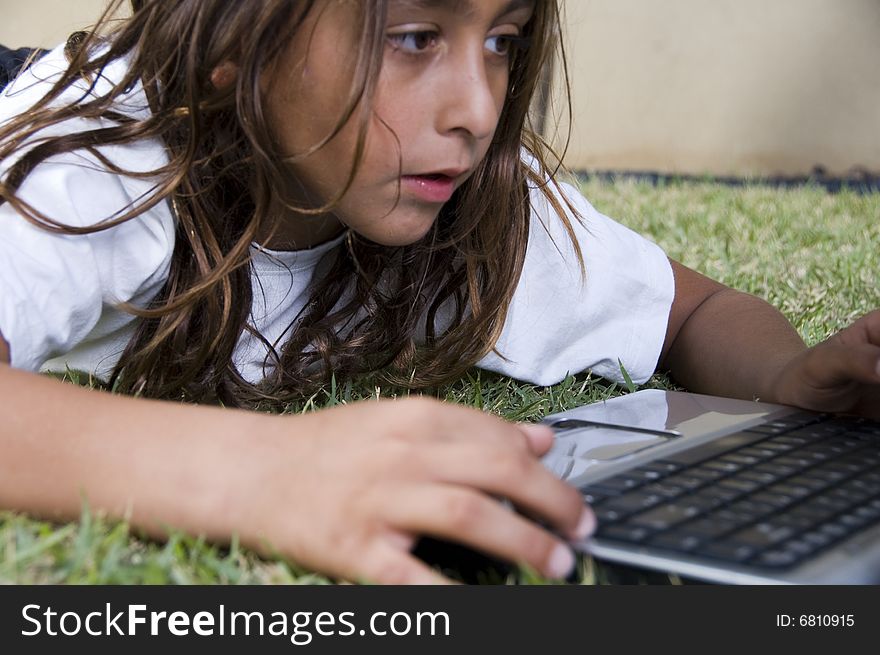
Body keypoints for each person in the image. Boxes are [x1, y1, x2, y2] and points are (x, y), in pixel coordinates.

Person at [0, 0, 877, 585]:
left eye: (503, 40)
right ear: (239, 40)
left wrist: (785, 379)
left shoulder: (466, 198)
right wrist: (259, 471)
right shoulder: (100, 162)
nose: (479, 109)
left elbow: (690, 310)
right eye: (415, 36)